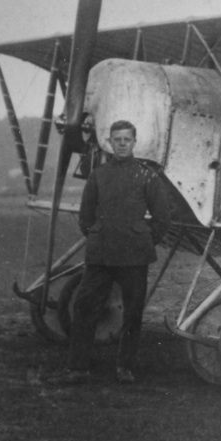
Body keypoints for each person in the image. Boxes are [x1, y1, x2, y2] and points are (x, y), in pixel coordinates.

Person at [51, 120, 171, 385]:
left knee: (133, 312)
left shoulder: (147, 175)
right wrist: (99, 235)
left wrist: (143, 240)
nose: (122, 144)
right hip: (102, 254)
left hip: (134, 256)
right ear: (110, 142)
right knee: (84, 307)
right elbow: (85, 217)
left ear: (134, 141)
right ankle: (78, 367)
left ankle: (124, 367)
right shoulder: (99, 176)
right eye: (117, 139)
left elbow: (162, 218)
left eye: (127, 139)